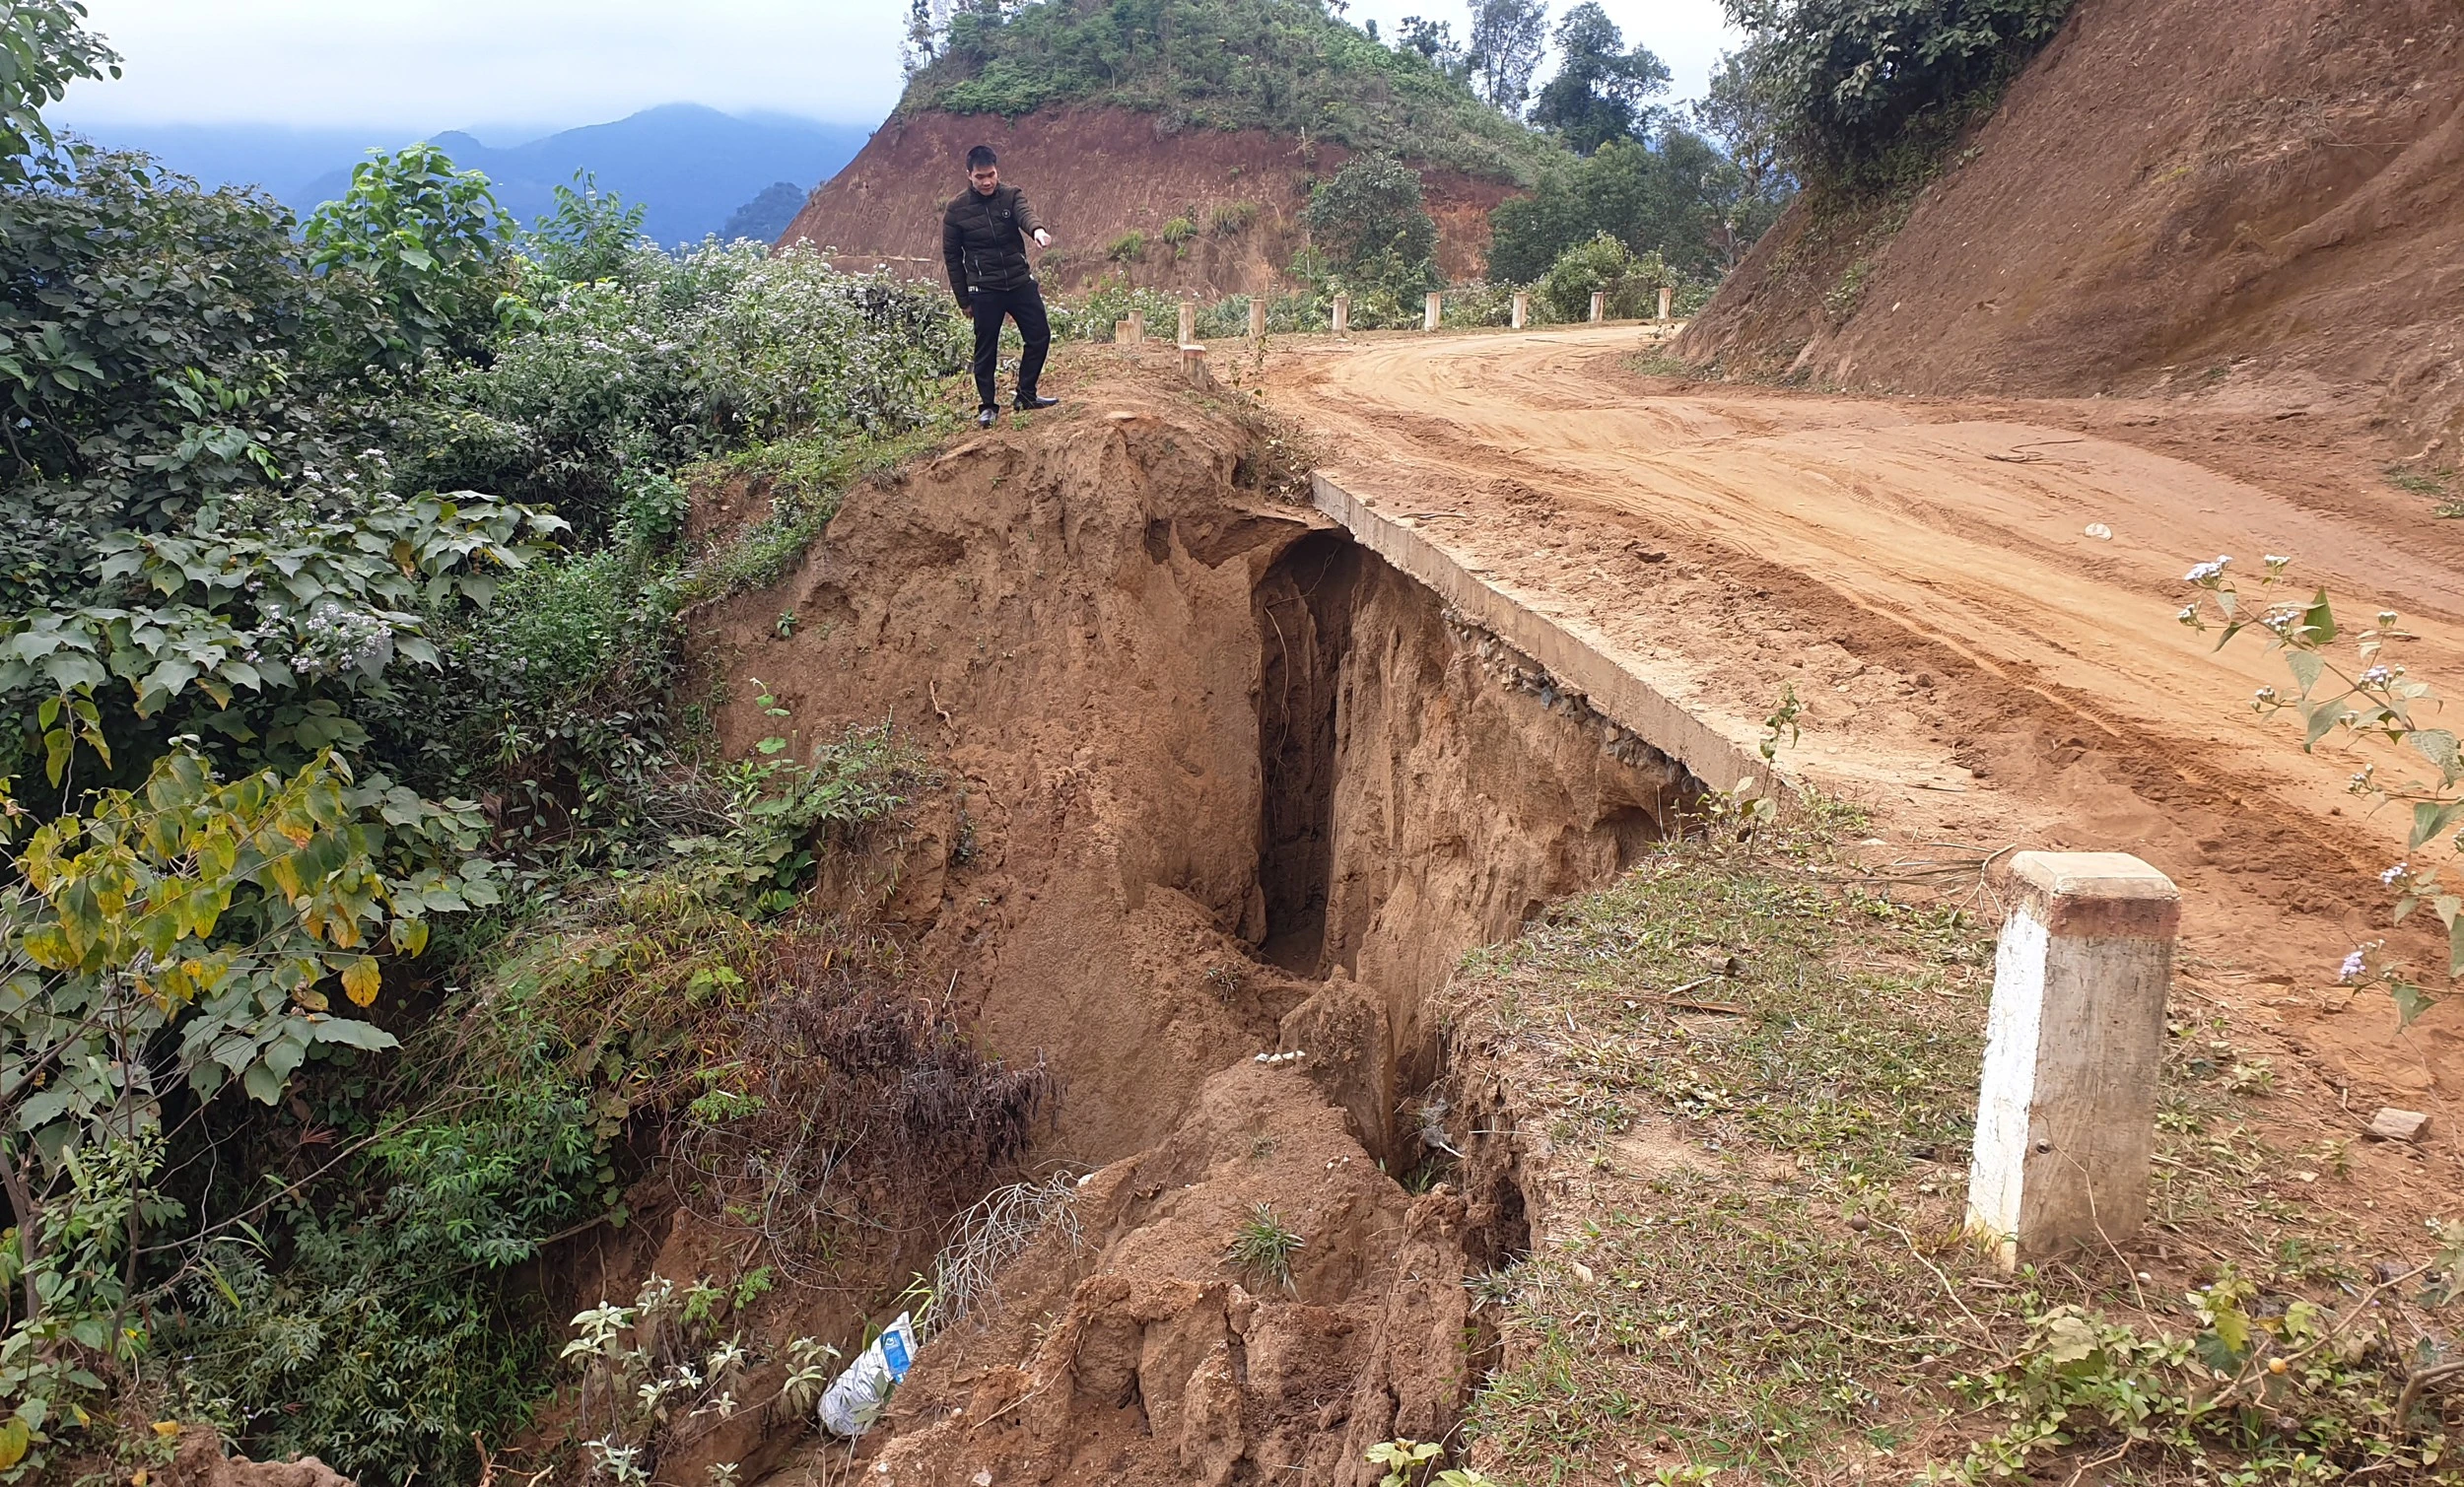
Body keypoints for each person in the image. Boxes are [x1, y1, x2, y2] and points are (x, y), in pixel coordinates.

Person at [942, 144, 1059, 430]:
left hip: (1019, 281)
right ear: (969, 174)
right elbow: (952, 257)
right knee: (986, 350)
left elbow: (1025, 214)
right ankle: (988, 407)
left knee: (1039, 335)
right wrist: (963, 299)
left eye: (991, 175)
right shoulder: (956, 210)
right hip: (984, 289)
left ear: (997, 171)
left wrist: (1038, 231)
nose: (987, 182)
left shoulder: (1011, 195)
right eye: (980, 176)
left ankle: (1026, 395)